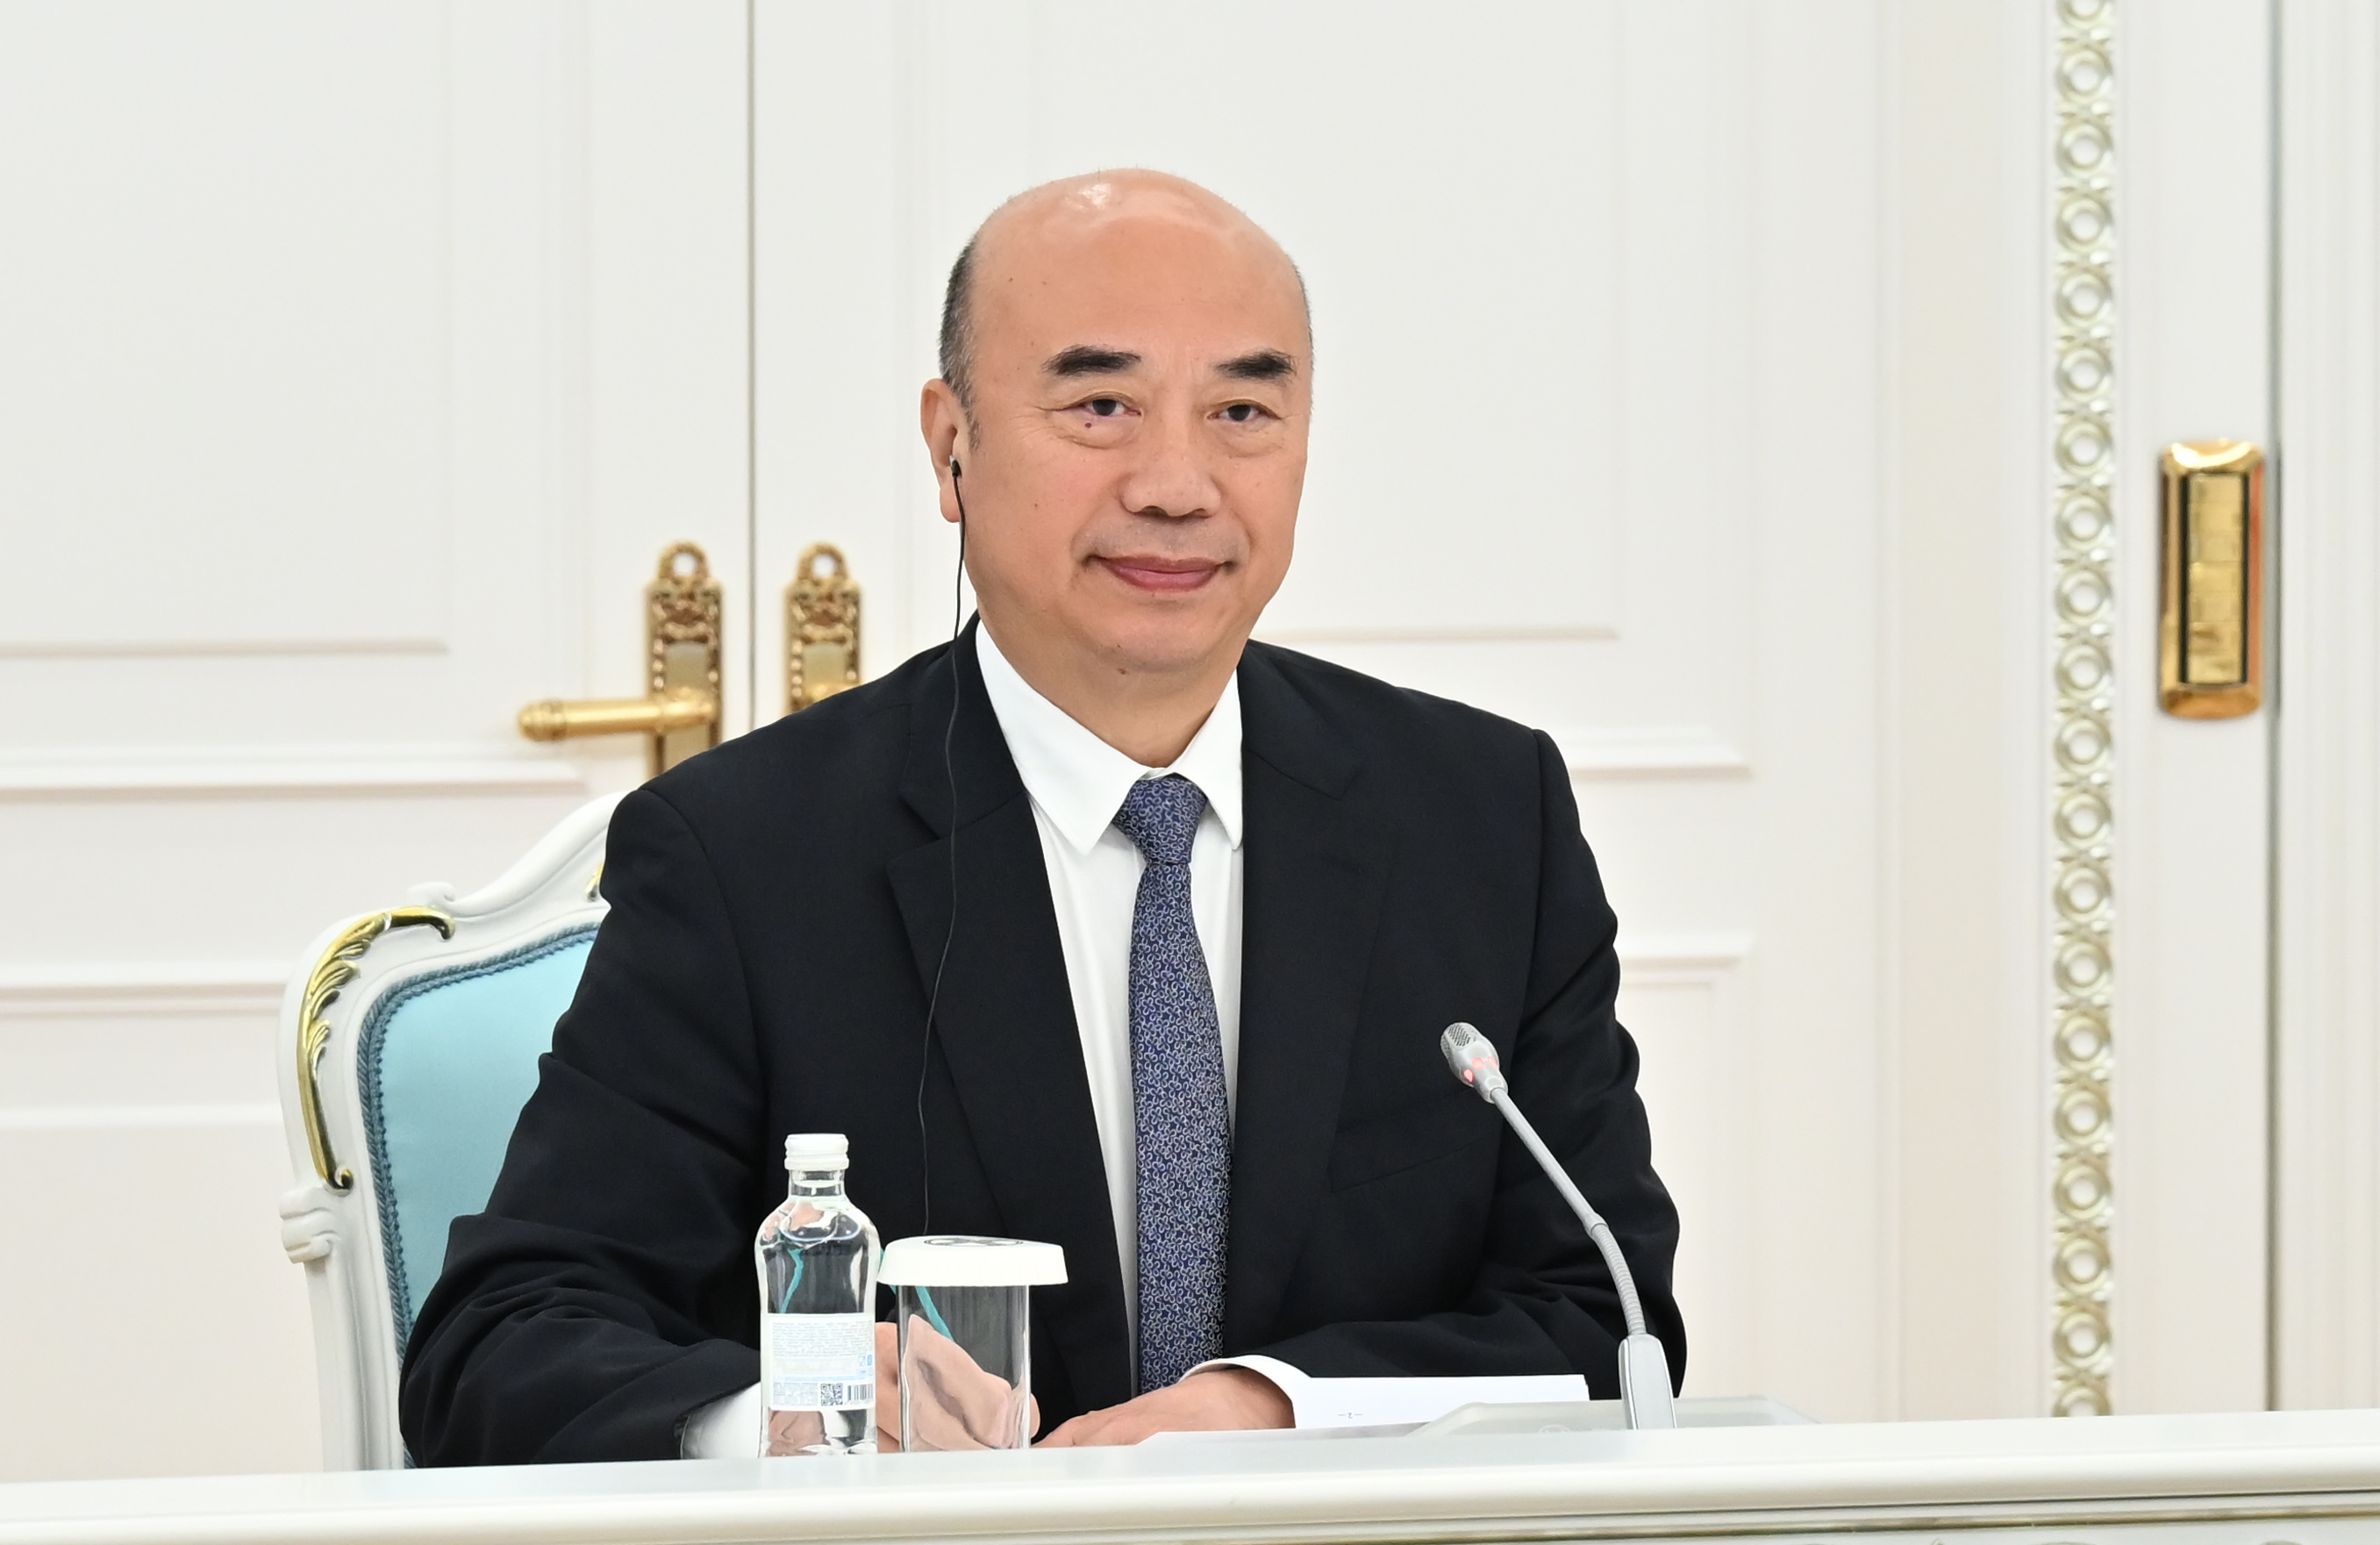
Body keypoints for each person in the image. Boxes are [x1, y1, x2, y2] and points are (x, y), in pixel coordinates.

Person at [400, 169, 1683, 1464]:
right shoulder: (747, 854)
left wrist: (1268, 1405)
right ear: (949, 444)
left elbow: (1604, 1317)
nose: (1177, 485)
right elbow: (501, 1346)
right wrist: (792, 1410)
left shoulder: (1483, 817)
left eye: (1242, 410)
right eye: (1100, 407)